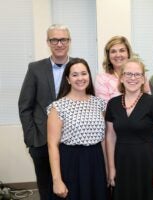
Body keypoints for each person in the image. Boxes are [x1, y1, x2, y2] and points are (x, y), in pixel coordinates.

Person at [18, 24, 71, 200]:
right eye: (54, 39)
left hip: (71, 141)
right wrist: (31, 139)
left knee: (71, 188)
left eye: (63, 39)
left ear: (69, 41)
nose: (59, 43)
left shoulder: (78, 67)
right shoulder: (35, 68)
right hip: (41, 141)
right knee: (47, 189)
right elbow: (25, 105)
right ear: (48, 42)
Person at [105, 58, 153, 200]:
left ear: (143, 79)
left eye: (137, 75)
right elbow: (110, 137)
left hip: (149, 165)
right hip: (122, 165)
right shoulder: (113, 104)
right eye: (128, 74)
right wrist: (111, 169)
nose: (132, 78)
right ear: (121, 78)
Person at [47, 58, 107, 199]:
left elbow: (104, 139)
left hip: (96, 161)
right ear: (68, 79)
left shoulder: (99, 103)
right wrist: (57, 180)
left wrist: (108, 169)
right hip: (71, 163)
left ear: (89, 76)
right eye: (75, 75)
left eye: (84, 73)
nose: (80, 78)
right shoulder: (58, 107)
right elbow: (52, 145)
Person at [95, 36, 151, 102]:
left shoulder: (139, 75)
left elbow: (148, 101)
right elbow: (105, 108)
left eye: (122, 50)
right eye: (113, 51)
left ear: (128, 54)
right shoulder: (102, 79)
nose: (118, 55)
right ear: (108, 56)